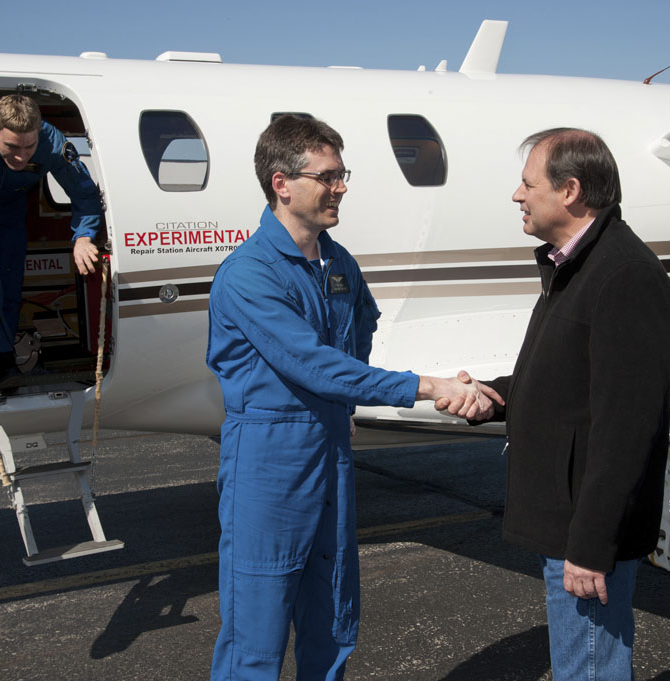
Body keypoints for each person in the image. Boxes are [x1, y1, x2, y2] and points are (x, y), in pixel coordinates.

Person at [205, 115, 496, 681]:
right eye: (328, 176)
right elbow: (312, 364)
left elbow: (358, 330)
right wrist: (428, 386)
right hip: (269, 459)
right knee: (256, 636)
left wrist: (343, 404)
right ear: (281, 182)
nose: (341, 188)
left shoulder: (338, 263)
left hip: (330, 447)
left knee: (334, 617)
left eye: (343, 175)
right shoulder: (248, 275)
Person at [451, 128, 670, 680]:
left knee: (589, 670)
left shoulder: (624, 276)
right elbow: (567, 374)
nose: (517, 196)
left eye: (527, 184)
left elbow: (626, 429)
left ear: (570, 190)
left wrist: (592, 546)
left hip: (584, 532)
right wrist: (496, 393)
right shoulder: (576, 264)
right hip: (567, 521)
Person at [0, 94, 102, 389]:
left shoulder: (51, 140)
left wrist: (83, 236)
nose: (21, 156)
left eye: (29, 147)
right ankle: (1, 361)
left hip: (10, 208)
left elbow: (84, 192)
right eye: (12, 147)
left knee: (9, 284)